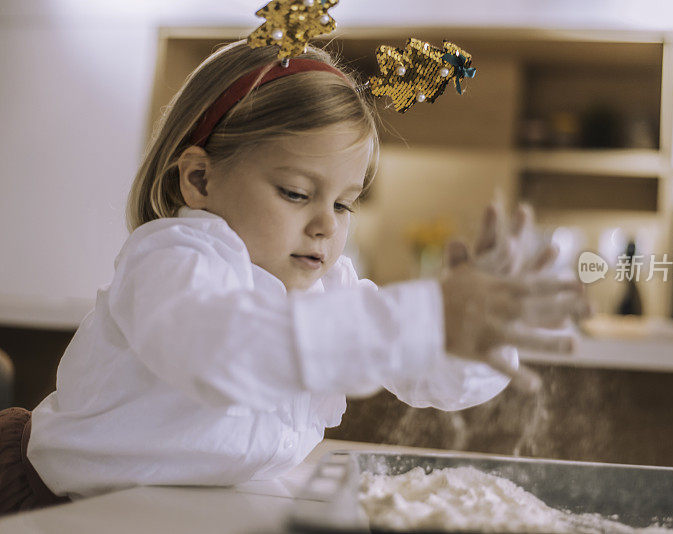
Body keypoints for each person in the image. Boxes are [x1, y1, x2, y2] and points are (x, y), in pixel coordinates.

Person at [0, 40, 588, 514]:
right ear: (200, 181)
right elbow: (227, 350)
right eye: (297, 193)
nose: (324, 226)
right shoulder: (172, 260)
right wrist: (425, 314)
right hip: (46, 506)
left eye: (345, 204)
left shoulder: (330, 287)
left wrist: (476, 336)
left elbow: (419, 370)